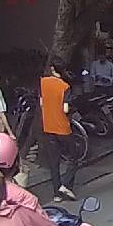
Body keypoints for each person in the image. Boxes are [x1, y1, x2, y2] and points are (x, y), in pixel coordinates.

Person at [40, 62, 78, 203]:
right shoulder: (65, 86)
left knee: (54, 161)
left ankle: (57, 193)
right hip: (62, 127)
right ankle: (65, 185)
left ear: (52, 69)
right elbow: (65, 109)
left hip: (48, 126)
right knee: (73, 157)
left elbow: (41, 103)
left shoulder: (43, 83)